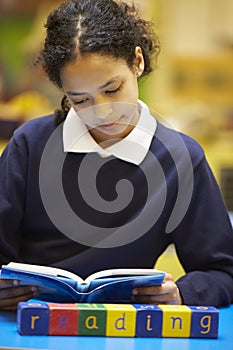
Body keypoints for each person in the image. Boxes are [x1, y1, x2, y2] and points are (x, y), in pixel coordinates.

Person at [0, 0, 233, 311]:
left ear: (137, 62)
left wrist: (181, 293)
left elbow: (223, 271)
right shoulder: (29, 145)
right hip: (28, 324)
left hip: (127, 329)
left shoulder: (181, 159)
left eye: (112, 90)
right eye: (81, 100)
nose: (103, 112)